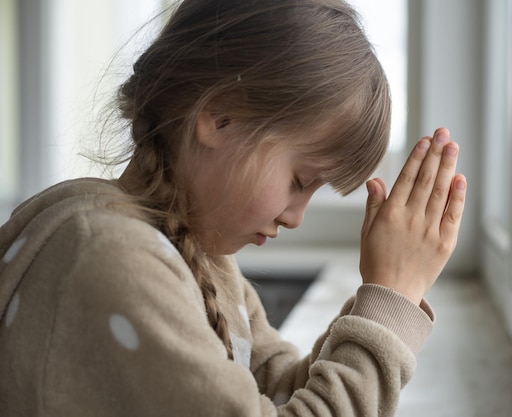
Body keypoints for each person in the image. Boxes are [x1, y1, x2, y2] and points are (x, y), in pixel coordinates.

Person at [0, 0, 467, 415]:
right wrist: (392, 298)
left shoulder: (199, 254)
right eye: (299, 181)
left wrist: (385, 296)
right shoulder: (108, 254)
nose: (295, 216)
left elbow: (280, 390)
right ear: (220, 117)